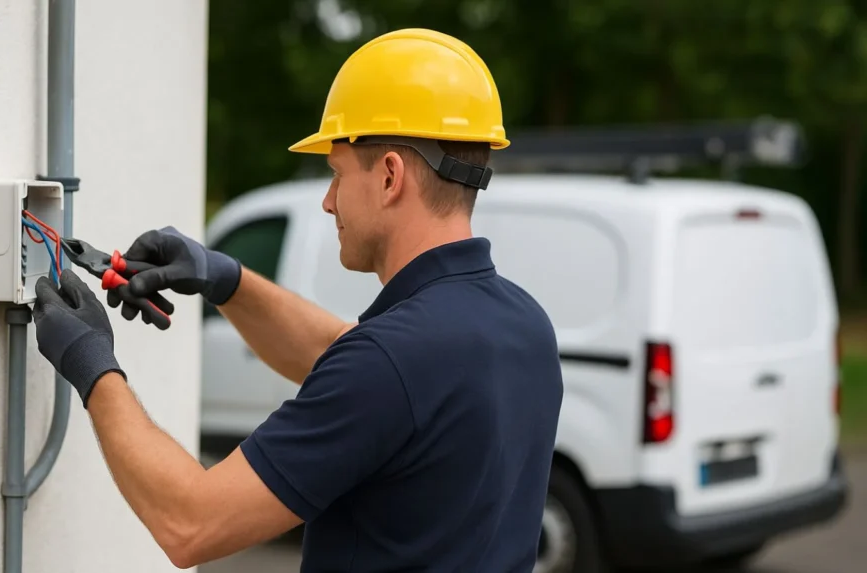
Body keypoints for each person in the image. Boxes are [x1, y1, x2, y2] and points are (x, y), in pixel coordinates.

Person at [31, 28, 564, 571]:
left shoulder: (391, 363)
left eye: (336, 175)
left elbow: (188, 522)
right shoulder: (523, 326)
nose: (329, 202)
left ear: (389, 176)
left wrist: (92, 362)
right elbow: (348, 357)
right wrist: (225, 279)